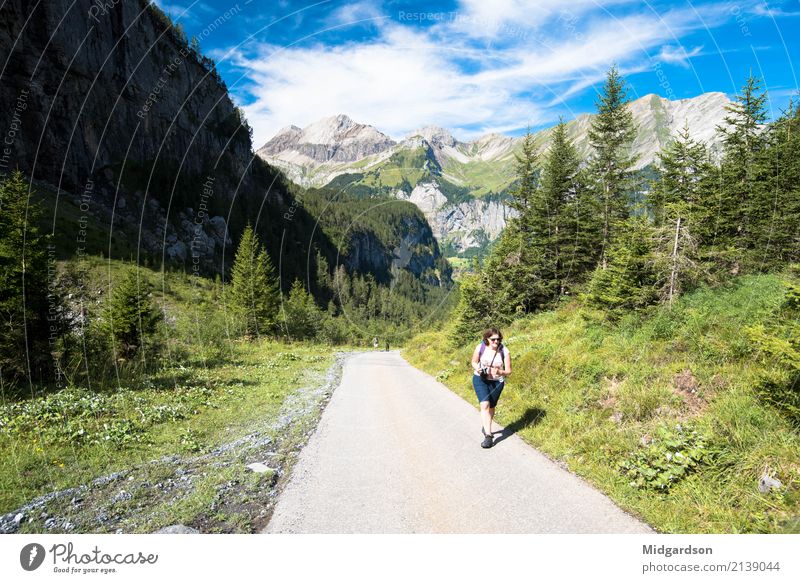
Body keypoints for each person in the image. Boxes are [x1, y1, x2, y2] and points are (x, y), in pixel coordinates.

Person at [471, 327, 512, 448]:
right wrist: (477, 368)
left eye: (498, 339)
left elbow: (509, 371)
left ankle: (486, 425)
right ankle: (488, 436)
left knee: (492, 407)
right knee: (485, 405)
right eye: (493, 339)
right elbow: (473, 361)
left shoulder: (504, 351)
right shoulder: (480, 347)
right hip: (480, 379)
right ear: (487, 339)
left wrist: (499, 371)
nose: (496, 342)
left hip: (497, 382)